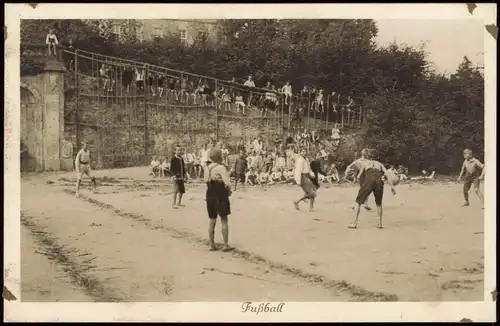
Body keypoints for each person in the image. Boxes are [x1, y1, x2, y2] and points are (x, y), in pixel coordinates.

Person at [349, 149, 397, 229]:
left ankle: (354, 223)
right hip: (379, 181)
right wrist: (392, 187)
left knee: (358, 202)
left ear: (368, 156)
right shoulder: (380, 164)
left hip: (369, 181)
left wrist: (355, 178)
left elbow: (359, 175)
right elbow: (388, 174)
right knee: (378, 203)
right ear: (377, 156)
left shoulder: (366, 163)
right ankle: (380, 223)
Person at [204, 148, 233, 252]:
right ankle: (225, 245)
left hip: (210, 193)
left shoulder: (207, 168)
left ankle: (212, 244)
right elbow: (227, 183)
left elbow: (205, 181)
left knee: (212, 219)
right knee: (224, 219)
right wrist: (229, 191)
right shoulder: (221, 168)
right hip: (220, 194)